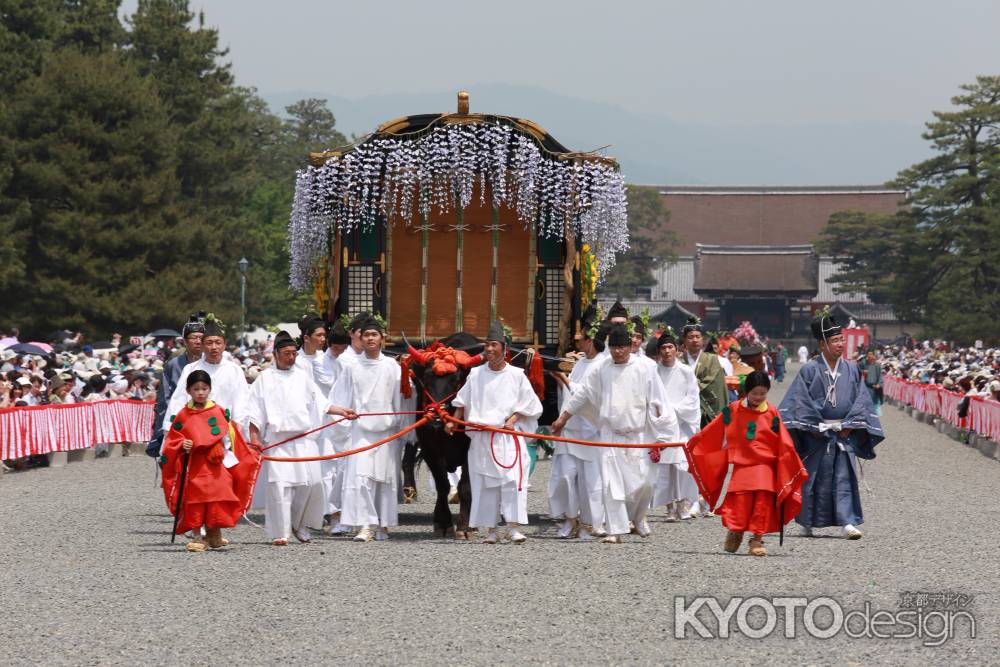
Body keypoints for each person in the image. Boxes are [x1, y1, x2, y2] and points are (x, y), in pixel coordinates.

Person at [552, 323, 679, 543]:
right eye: (614, 347)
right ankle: (615, 530)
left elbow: (660, 400)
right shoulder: (602, 368)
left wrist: (663, 436)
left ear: (630, 347)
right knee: (611, 485)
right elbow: (583, 394)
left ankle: (638, 517)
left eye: (622, 347)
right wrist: (563, 418)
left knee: (645, 483)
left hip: (639, 434)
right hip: (610, 434)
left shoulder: (645, 368)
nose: (618, 352)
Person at [779, 313, 884, 540]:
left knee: (844, 479)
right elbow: (798, 400)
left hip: (844, 433)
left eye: (842, 340)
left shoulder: (852, 368)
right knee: (813, 479)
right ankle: (807, 522)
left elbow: (861, 400)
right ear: (822, 344)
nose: (840, 345)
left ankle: (847, 522)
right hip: (816, 434)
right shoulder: (809, 369)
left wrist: (850, 425)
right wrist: (815, 426)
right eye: (835, 341)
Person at [248, 331, 356, 546]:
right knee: (280, 486)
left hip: (304, 440)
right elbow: (254, 411)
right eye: (286, 354)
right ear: (276, 354)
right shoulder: (265, 379)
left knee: (312, 484)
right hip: (278, 441)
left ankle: (299, 524)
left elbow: (321, 403)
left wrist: (342, 411)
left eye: (293, 354)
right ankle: (281, 532)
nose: (291, 358)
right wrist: (255, 438)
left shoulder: (302, 377)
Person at [684, 371, 807, 557]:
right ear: (746, 391)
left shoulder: (772, 412)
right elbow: (714, 430)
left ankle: (757, 540)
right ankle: (736, 530)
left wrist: (789, 462)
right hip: (742, 465)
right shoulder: (732, 409)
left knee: (762, 503)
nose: (758, 397)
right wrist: (697, 443)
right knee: (739, 502)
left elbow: (784, 441)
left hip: (765, 466)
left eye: (763, 394)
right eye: (755, 393)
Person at [446, 321, 542, 544]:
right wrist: (454, 422)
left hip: (506, 437)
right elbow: (462, 401)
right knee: (485, 484)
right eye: (487, 345)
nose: (489, 349)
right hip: (481, 436)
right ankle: (490, 530)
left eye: (494, 345)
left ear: (504, 348)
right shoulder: (476, 374)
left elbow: (530, 404)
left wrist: (513, 419)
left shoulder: (516, 375)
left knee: (511, 480)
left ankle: (513, 527)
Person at [161, 370, 260, 552]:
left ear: (210, 389)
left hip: (216, 464)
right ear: (188, 390)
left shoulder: (218, 410)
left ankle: (214, 533)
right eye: (196, 389)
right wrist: (183, 444)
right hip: (194, 466)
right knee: (196, 499)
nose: (200, 392)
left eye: (204, 388)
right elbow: (172, 440)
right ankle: (198, 535)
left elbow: (230, 434)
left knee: (218, 496)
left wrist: (221, 445)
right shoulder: (183, 414)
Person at [328, 315, 405, 542]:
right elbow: (341, 396)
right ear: (360, 338)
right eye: (366, 335)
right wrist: (344, 412)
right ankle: (366, 524)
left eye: (375, 334)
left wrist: (399, 423)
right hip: (361, 429)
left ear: (383, 339)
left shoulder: (393, 366)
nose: (370, 338)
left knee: (384, 478)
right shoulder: (352, 367)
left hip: (386, 429)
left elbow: (400, 400)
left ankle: (383, 524)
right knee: (361, 477)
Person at [548, 312, 607, 540]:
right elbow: (570, 393)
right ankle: (569, 519)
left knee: (590, 480)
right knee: (564, 476)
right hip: (570, 428)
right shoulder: (581, 362)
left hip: (590, 431)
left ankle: (589, 523)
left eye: (580, 338)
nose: (577, 342)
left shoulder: (602, 365)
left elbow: (586, 395)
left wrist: (564, 378)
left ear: (590, 340)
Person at [164, 315, 250, 442]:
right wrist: (170, 430)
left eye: (218, 342)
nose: (214, 347)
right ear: (203, 346)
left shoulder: (234, 370)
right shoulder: (191, 369)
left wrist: (238, 427)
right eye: (209, 343)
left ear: (224, 344)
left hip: (226, 434)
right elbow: (179, 400)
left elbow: (242, 403)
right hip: (194, 432)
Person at [648, 328, 702, 520]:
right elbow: (651, 398)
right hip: (662, 425)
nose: (667, 351)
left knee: (682, 465)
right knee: (664, 468)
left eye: (670, 347)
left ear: (677, 349)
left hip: (682, 424)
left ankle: (684, 503)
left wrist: (672, 409)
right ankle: (669, 507)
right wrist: (659, 413)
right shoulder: (654, 372)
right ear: (659, 351)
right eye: (663, 347)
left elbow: (693, 399)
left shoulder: (686, 372)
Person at [147, 314, 204, 457]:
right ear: (185, 341)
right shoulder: (174, 364)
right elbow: (165, 397)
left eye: (201, 338)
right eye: (193, 338)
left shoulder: (210, 363)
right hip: (178, 419)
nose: (198, 341)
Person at [680, 317, 727, 427]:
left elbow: (716, 386)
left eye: (698, 336)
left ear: (703, 339)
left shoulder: (712, 359)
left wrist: (690, 387)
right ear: (685, 340)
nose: (695, 340)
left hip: (707, 411)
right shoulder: (679, 361)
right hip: (683, 410)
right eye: (690, 337)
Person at [863, 350, 883, 416]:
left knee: (874, 405)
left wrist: (879, 384)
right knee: (865, 404)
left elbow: (880, 376)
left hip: (874, 388)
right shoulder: (864, 364)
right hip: (866, 387)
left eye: (871, 354)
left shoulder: (877, 365)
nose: (870, 356)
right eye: (868, 354)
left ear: (874, 356)